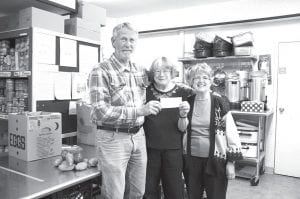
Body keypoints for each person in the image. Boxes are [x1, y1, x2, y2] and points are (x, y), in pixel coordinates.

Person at [89, 22, 161, 199]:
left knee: (138, 191)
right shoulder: (100, 71)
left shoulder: (140, 70)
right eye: (123, 39)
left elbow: (163, 82)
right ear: (113, 41)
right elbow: (101, 112)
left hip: (138, 136)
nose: (128, 44)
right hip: (113, 138)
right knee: (115, 193)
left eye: (132, 40)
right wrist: (139, 111)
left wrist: (195, 92)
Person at [178, 63, 243, 199]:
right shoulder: (187, 102)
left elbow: (232, 134)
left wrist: (231, 163)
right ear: (191, 82)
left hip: (216, 160)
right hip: (191, 160)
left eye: (205, 77)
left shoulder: (220, 102)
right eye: (196, 78)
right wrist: (182, 115)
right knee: (193, 195)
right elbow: (182, 130)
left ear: (211, 81)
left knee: (216, 195)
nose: (201, 81)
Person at [143, 56, 191, 199]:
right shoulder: (145, 92)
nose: (161, 74)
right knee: (148, 190)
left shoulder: (184, 92)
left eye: (165, 70)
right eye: (157, 71)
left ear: (172, 73)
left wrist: (183, 115)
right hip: (149, 150)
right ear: (152, 74)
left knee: (175, 191)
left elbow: (183, 129)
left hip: (173, 150)